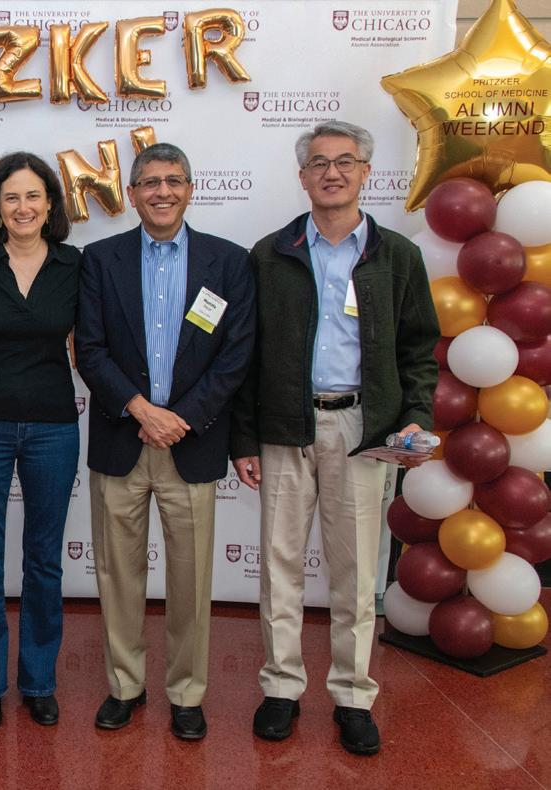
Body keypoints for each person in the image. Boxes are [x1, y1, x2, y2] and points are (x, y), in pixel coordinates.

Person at [231, 120, 439, 756]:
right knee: (279, 566)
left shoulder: (396, 255)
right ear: (302, 177)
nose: (332, 173)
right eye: (319, 163)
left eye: (345, 161)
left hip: (364, 429)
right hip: (284, 426)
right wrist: (244, 439)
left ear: (365, 172)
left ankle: (353, 696)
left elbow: (419, 348)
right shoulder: (270, 254)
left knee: (354, 572)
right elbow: (246, 355)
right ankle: (281, 688)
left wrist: (416, 415)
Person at [75, 143, 255, 739]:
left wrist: (181, 418)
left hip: (191, 444)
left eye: (174, 180)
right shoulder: (100, 260)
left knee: (191, 581)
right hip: (121, 440)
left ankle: (187, 693)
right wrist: (141, 410)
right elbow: (90, 350)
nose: (163, 192)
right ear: (132, 194)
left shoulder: (228, 262)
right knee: (117, 576)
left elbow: (235, 356)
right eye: (150, 182)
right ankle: (125, 686)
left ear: (190, 189)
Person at [0, 152, 80, 730]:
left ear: (50, 204)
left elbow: (93, 344)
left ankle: (38, 680)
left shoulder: (74, 264)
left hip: (54, 427)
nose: (23, 207)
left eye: (33, 196)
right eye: (11, 198)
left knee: (44, 560)